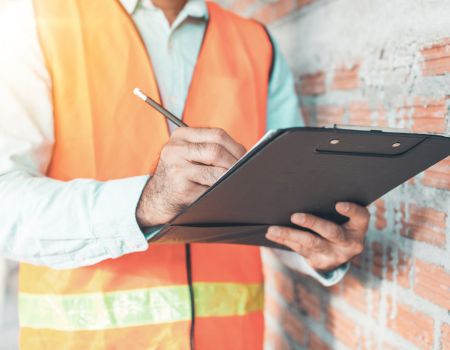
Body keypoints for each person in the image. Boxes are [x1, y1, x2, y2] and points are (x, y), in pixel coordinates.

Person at [0, 0, 370, 348]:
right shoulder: (37, 20)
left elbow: (283, 206)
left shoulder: (257, 45)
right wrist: (146, 202)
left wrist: (321, 246)